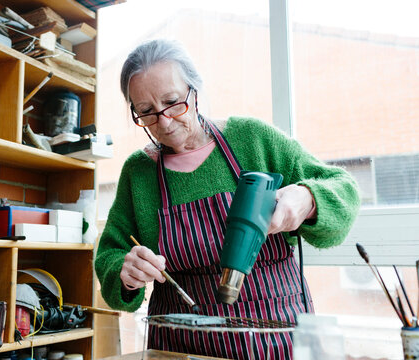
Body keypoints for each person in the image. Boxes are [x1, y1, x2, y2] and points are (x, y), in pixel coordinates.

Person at [95, 39, 360, 360]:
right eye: (147, 112)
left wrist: (309, 198)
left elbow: (343, 188)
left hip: (275, 335)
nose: (163, 122)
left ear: (195, 92)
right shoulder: (138, 172)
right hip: (179, 344)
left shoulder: (254, 139)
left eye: (172, 102)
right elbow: (111, 253)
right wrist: (125, 272)